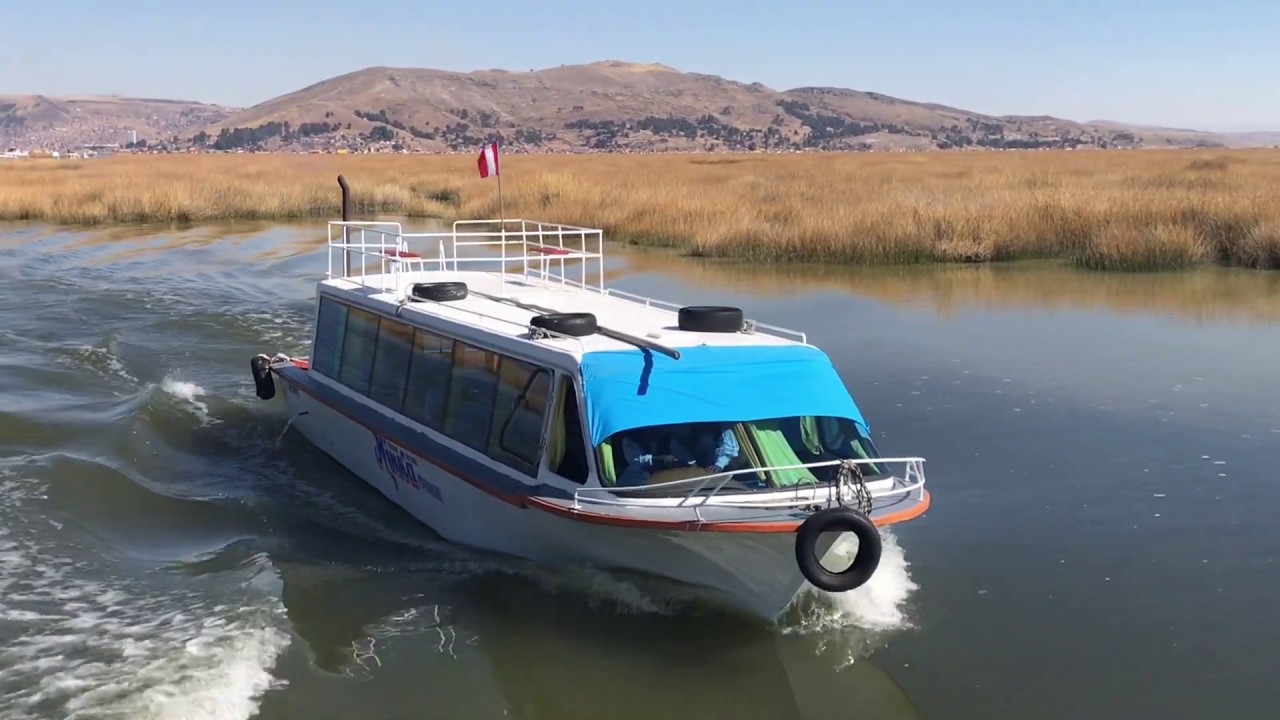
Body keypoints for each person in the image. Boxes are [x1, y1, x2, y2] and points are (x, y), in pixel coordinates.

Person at [670, 422, 740, 475]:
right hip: (683, 468)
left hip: (710, 469)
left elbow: (730, 449)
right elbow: (675, 443)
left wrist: (719, 465)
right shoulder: (679, 424)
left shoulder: (721, 425)